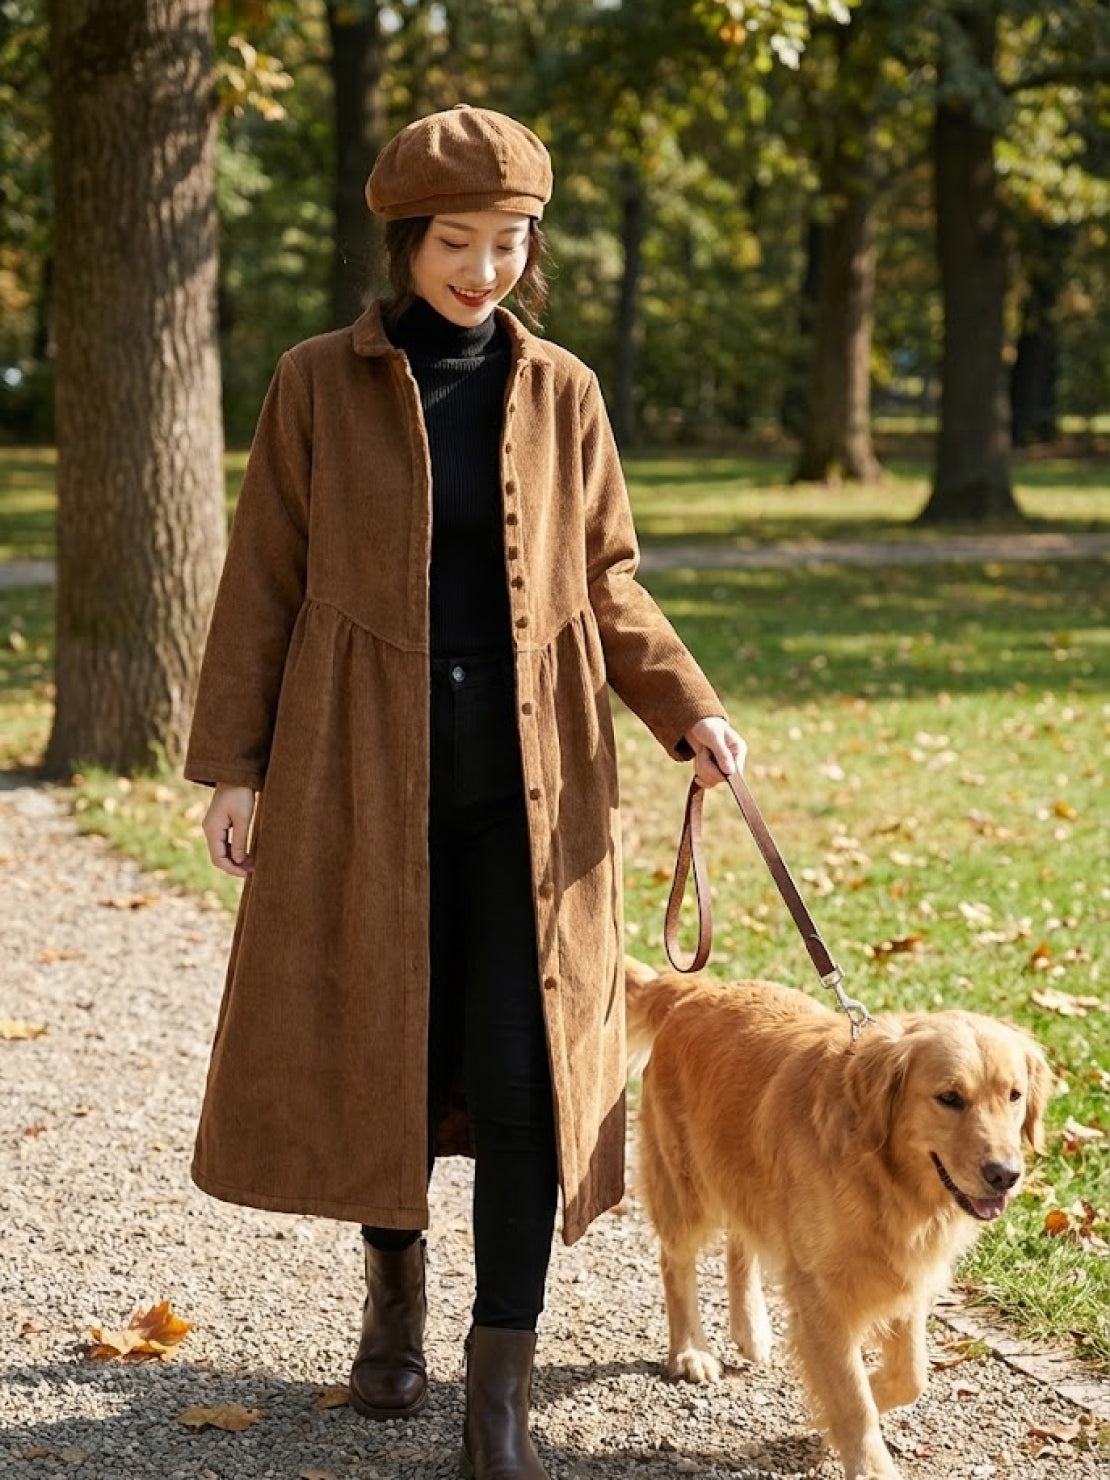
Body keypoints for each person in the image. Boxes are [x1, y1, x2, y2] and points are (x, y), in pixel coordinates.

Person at [183, 103, 747, 1480]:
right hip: (355, 784)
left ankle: (498, 1385)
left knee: (518, 1076)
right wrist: (233, 768)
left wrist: (689, 708)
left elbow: (608, 581)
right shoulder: (316, 381)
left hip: (532, 794)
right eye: (455, 241)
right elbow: (262, 575)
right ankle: (393, 1307)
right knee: (390, 1048)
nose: (482, 269)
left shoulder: (563, 392)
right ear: (402, 242)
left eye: (508, 243)